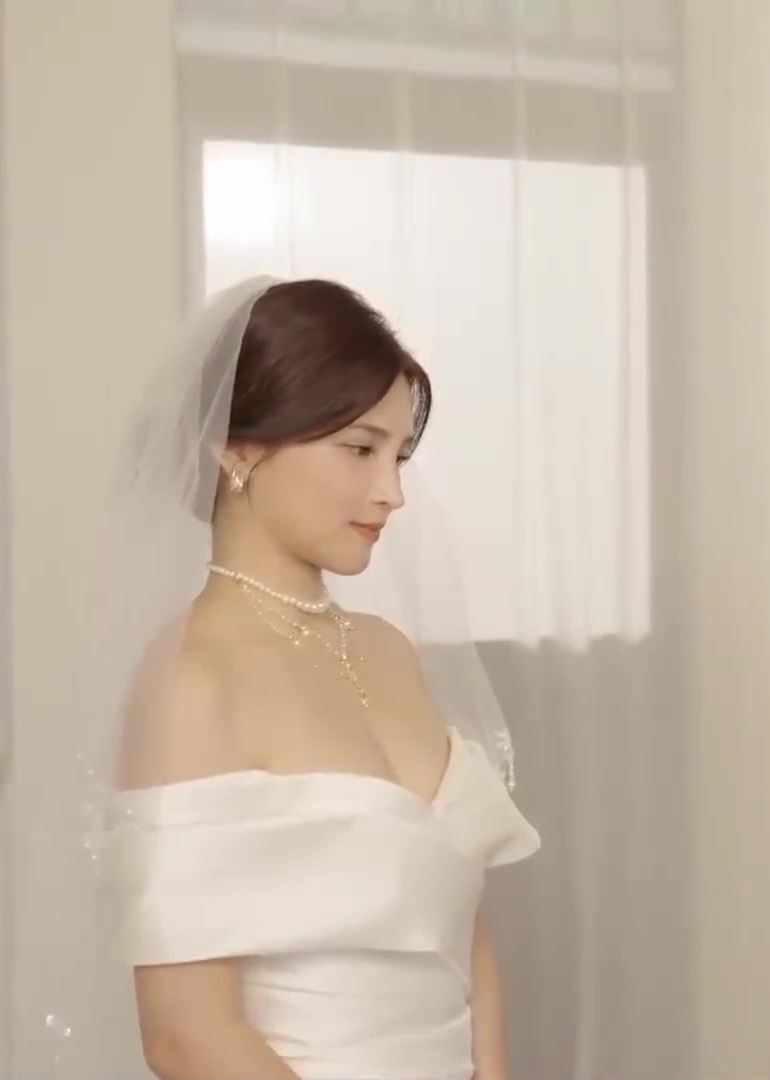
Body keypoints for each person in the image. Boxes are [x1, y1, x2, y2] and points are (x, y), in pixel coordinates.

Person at [90, 277, 539, 1079]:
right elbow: (187, 1034)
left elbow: (461, 922)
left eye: (399, 456)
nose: (391, 493)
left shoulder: (389, 650)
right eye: (360, 450)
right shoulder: (192, 680)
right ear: (237, 450)